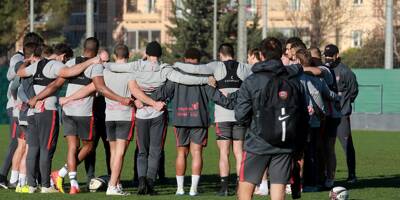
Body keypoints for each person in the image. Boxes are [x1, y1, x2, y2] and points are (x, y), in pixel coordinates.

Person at [104, 42, 211, 195]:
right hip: (158, 113)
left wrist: (100, 62)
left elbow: (114, 67)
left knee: (142, 151)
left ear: (146, 54)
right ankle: (150, 182)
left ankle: (141, 181)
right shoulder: (165, 69)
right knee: (155, 151)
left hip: (141, 113)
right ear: (160, 55)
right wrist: (205, 80)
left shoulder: (136, 66)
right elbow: (184, 79)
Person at [147, 48, 233, 196]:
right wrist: (232, 102)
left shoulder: (176, 73)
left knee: (181, 153)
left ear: (185, 58)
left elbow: (164, 91)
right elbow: (215, 95)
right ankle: (193, 189)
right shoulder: (205, 74)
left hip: (180, 118)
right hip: (199, 119)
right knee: (197, 152)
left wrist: (143, 98)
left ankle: (180, 189)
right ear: (198, 60)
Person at [234, 37, 308, 200]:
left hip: (257, 143)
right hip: (285, 143)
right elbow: (303, 116)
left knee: (245, 192)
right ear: (281, 54)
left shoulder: (252, 80)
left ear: (260, 55)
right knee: (278, 193)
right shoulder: (293, 81)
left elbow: (240, 115)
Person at [49, 37, 110, 194]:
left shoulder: (71, 62)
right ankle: (61, 173)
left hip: (67, 110)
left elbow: (58, 82)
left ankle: (73, 184)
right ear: (96, 51)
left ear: (83, 48)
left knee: (72, 147)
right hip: (84, 112)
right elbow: (98, 88)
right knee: (89, 146)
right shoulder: (96, 67)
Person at [16, 43, 74, 193]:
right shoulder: (56, 65)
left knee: (33, 148)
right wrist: (89, 62)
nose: (66, 63)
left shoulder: (38, 65)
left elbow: (20, 73)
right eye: (66, 60)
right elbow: (67, 74)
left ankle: (31, 185)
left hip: (33, 112)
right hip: (48, 111)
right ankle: (46, 186)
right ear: (63, 56)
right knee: (47, 148)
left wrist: (27, 60)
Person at [0, 32, 43, 189]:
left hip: (24, 106)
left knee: (24, 143)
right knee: (18, 143)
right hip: (18, 107)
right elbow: (13, 79)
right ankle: (7, 177)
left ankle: (26, 177)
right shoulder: (18, 59)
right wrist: (18, 101)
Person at [295, 49, 340, 192]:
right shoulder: (318, 79)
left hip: (302, 121)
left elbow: (304, 97)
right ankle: (313, 183)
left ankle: (298, 184)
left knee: (299, 153)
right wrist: (339, 98)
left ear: (297, 61)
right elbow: (330, 94)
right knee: (313, 152)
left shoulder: (299, 78)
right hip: (316, 121)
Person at [324, 44, 359, 185]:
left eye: (330, 55)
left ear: (336, 55)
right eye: (325, 56)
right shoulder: (324, 70)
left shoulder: (345, 71)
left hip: (341, 116)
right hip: (327, 116)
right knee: (327, 146)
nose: (327, 58)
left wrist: (344, 105)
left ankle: (352, 174)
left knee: (347, 145)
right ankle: (327, 175)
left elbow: (353, 91)